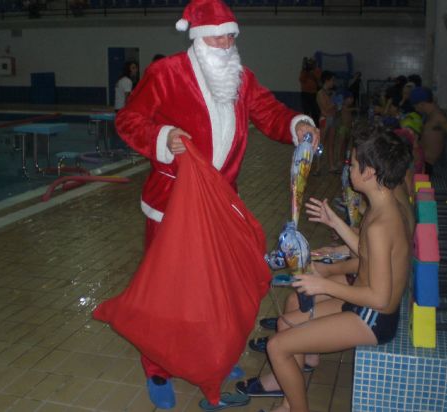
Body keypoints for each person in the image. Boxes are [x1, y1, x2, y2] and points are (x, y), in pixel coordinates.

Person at [114, 0, 320, 408]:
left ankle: (211, 356)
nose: (227, 43)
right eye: (218, 36)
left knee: (215, 289)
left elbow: (269, 113)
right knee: (167, 291)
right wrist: (164, 138)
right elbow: (129, 121)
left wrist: (298, 125)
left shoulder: (241, 79)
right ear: (197, 38)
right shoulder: (166, 73)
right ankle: (157, 367)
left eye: (231, 36)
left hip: (222, 204)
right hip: (172, 205)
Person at [236, 129, 412, 412]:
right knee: (285, 325)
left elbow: (379, 298)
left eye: (353, 165)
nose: (349, 168)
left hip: (372, 317)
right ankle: (288, 403)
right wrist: (336, 224)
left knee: (278, 347)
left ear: (369, 172)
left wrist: (324, 285)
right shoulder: (385, 207)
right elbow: (369, 253)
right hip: (361, 304)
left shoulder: (381, 224)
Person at [410, 86, 447, 175]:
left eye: (415, 106)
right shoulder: (430, 115)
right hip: (421, 161)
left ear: (422, 104)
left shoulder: (438, 116)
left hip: (426, 165)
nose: (416, 109)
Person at [316, 71, 337, 173]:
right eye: (332, 80)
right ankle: (317, 166)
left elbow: (334, 109)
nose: (334, 82)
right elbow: (325, 108)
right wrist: (335, 102)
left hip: (332, 119)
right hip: (325, 119)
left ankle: (331, 165)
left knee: (331, 143)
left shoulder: (331, 93)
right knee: (321, 144)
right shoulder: (320, 93)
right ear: (327, 80)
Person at [299, 57, 321, 126]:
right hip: (305, 93)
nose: (310, 65)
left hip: (314, 94)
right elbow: (301, 79)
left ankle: (316, 125)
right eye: (309, 63)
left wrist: (312, 72)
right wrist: (306, 71)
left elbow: (318, 79)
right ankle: (306, 125)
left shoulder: (317, 70)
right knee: (306, 110)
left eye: (312, 63)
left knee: (315, 111)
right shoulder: (304, 71)